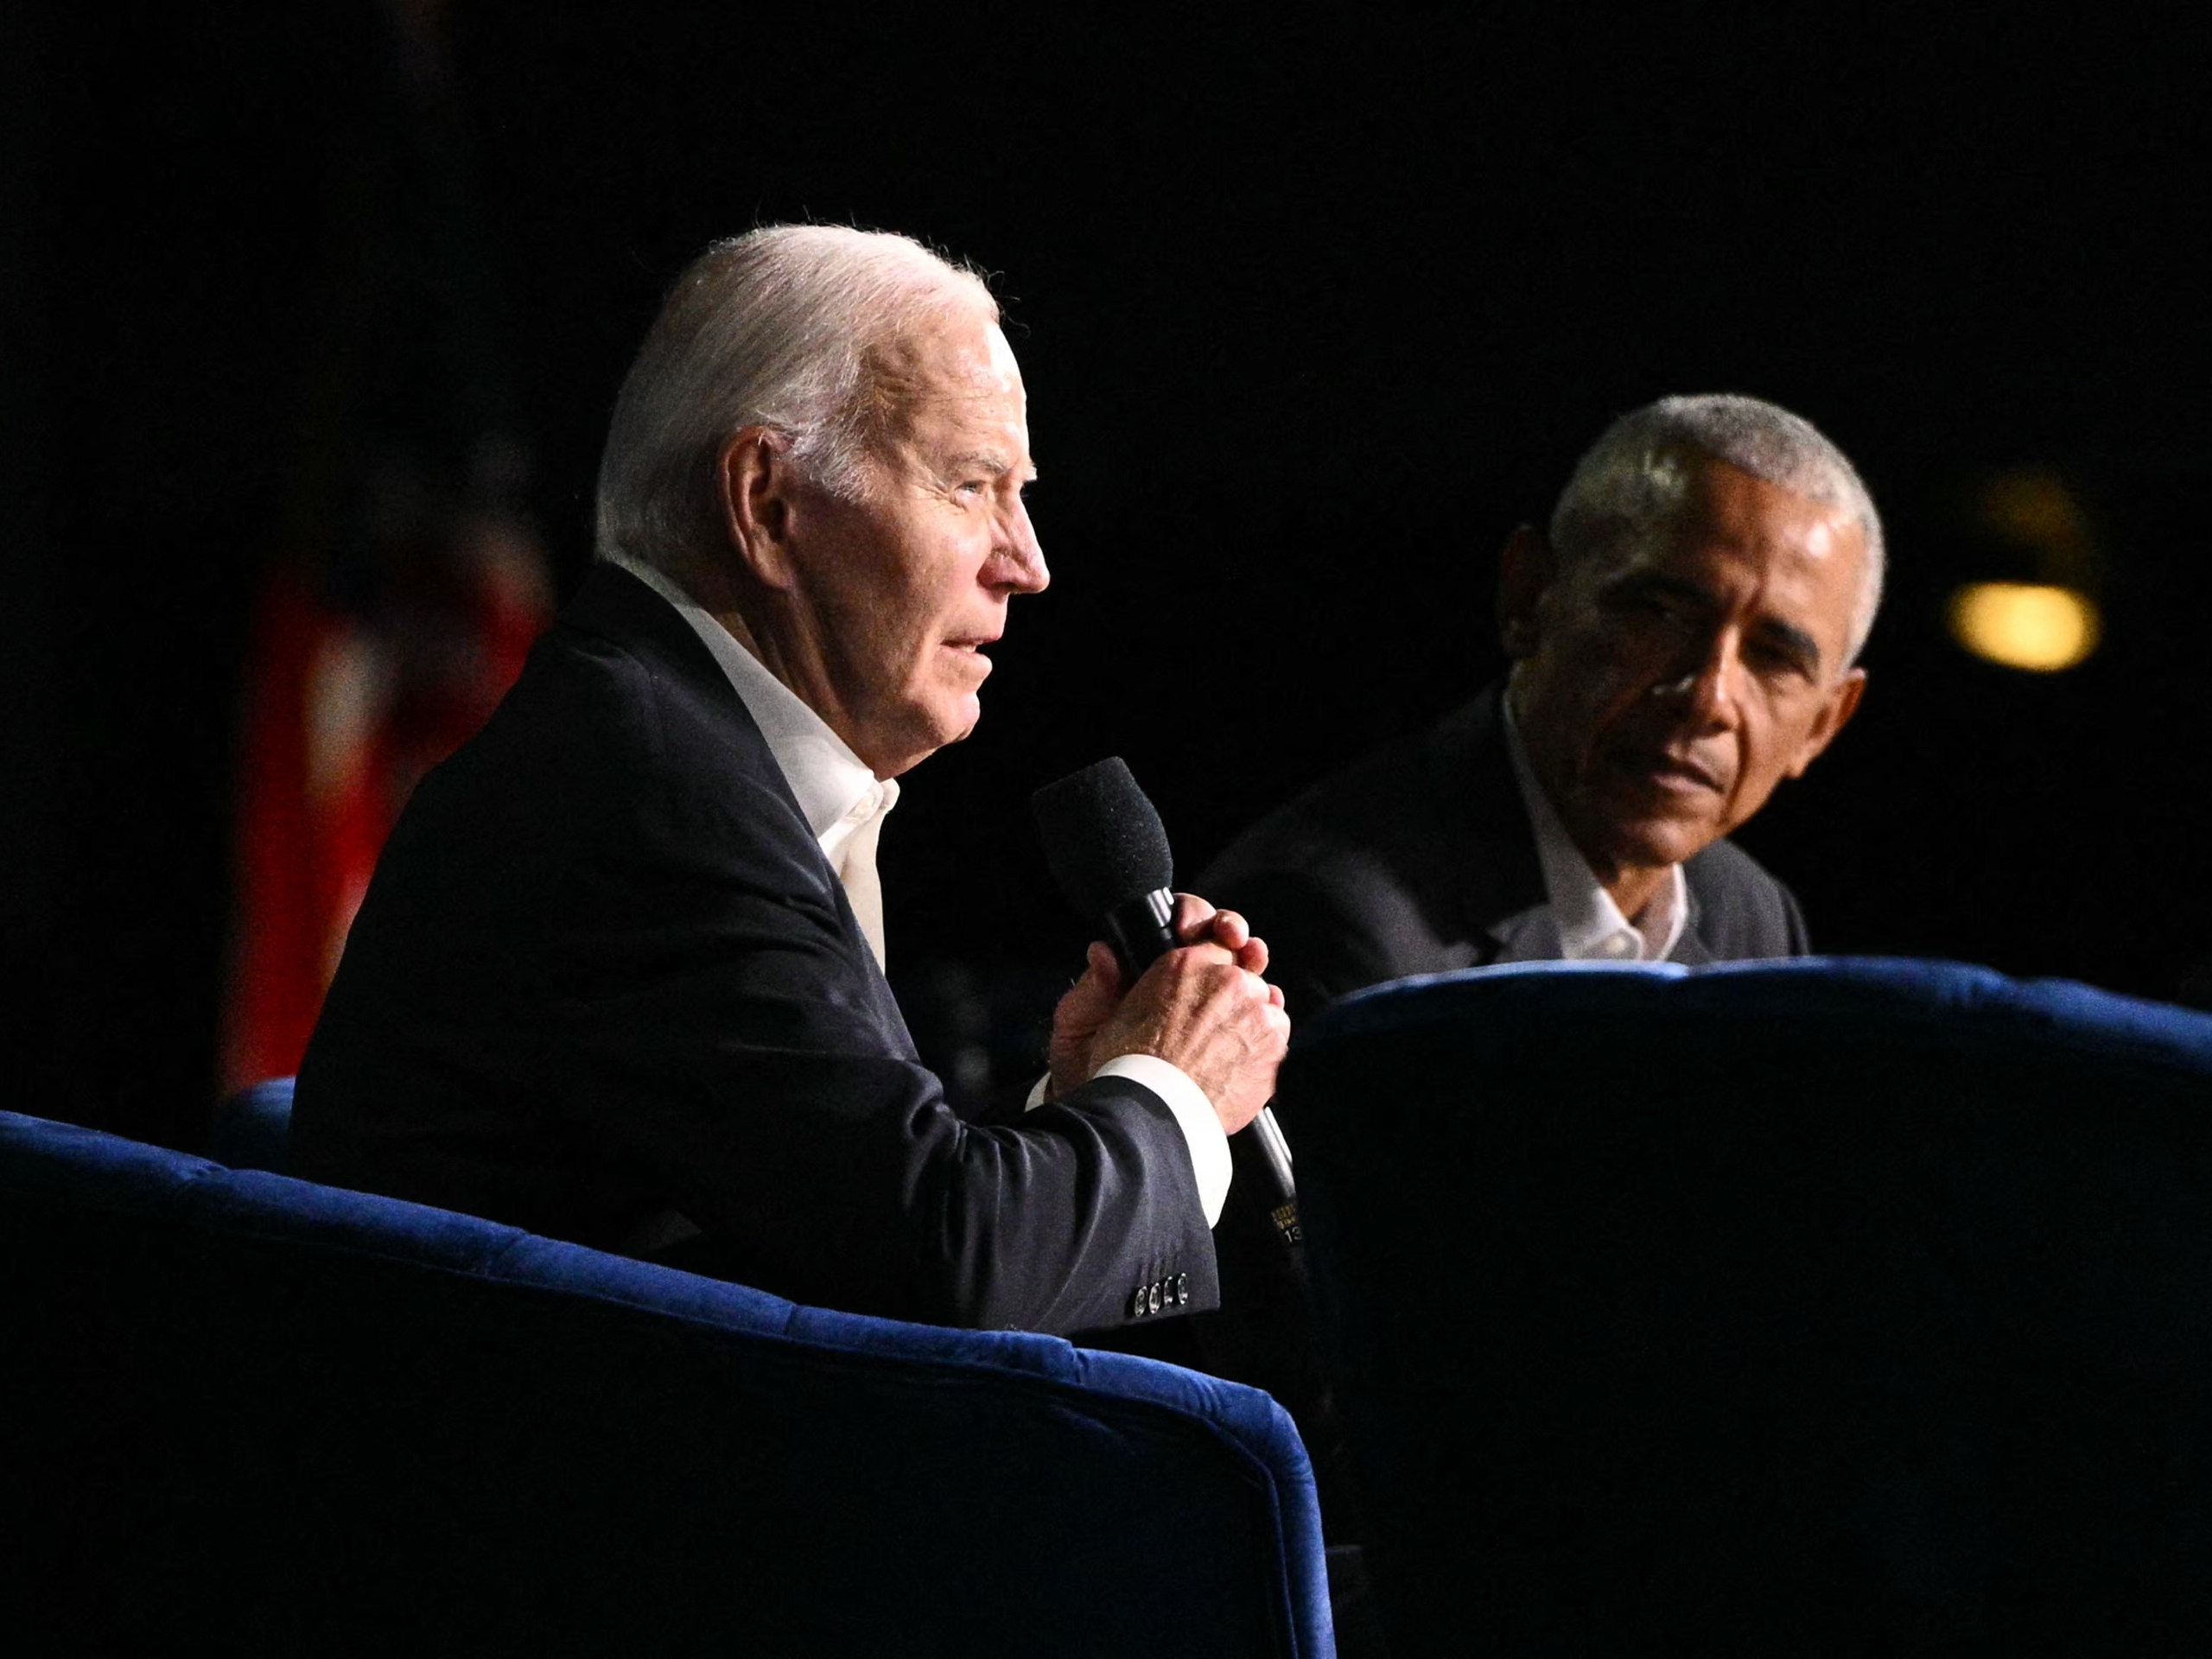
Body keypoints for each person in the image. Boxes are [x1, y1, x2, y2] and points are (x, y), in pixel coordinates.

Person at [289, 226, 1290, 1338]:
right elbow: (940, 1270)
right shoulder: (647, 797)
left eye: (1021, 493)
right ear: (766, 502)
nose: (1027, 562)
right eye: (970, 485)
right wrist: (1172, 1088)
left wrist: (1091, 1099)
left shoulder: (678, 747)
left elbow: (830, 1230)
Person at [1199, 392, 1880, 1025]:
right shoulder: (1328, 921)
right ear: (1529, 598)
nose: (1707, 699)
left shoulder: (1753, 918)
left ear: (1824, 724)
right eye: (1661, 615)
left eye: (1774, 658)